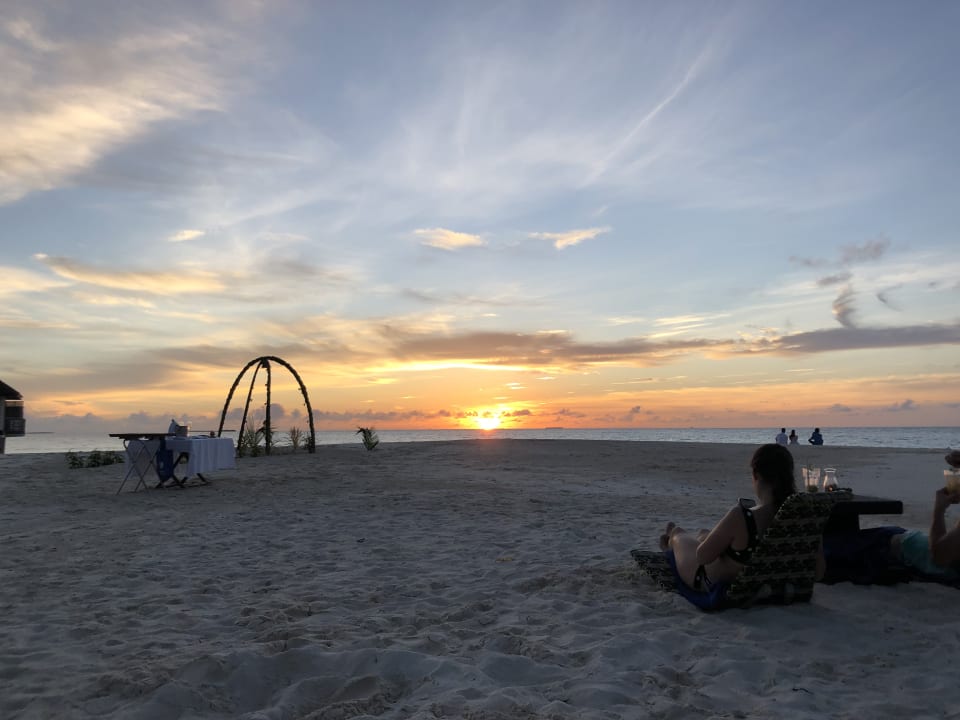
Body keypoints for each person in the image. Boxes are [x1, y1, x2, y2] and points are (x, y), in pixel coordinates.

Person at [659, 444, 806, 592]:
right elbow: (819, 571)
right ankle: (700, 537)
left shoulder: (743, 516)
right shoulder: (800, 515)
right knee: (704, 533)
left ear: (756, 475)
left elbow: (702, 557)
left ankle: (671, 541)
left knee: (678, 533)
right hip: (770, 579)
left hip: (709, 579)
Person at [823, 451, 960, 585]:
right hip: (908, 542)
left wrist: (939, 509)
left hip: (902, 549)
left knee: (839, 545)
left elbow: (939, 556)